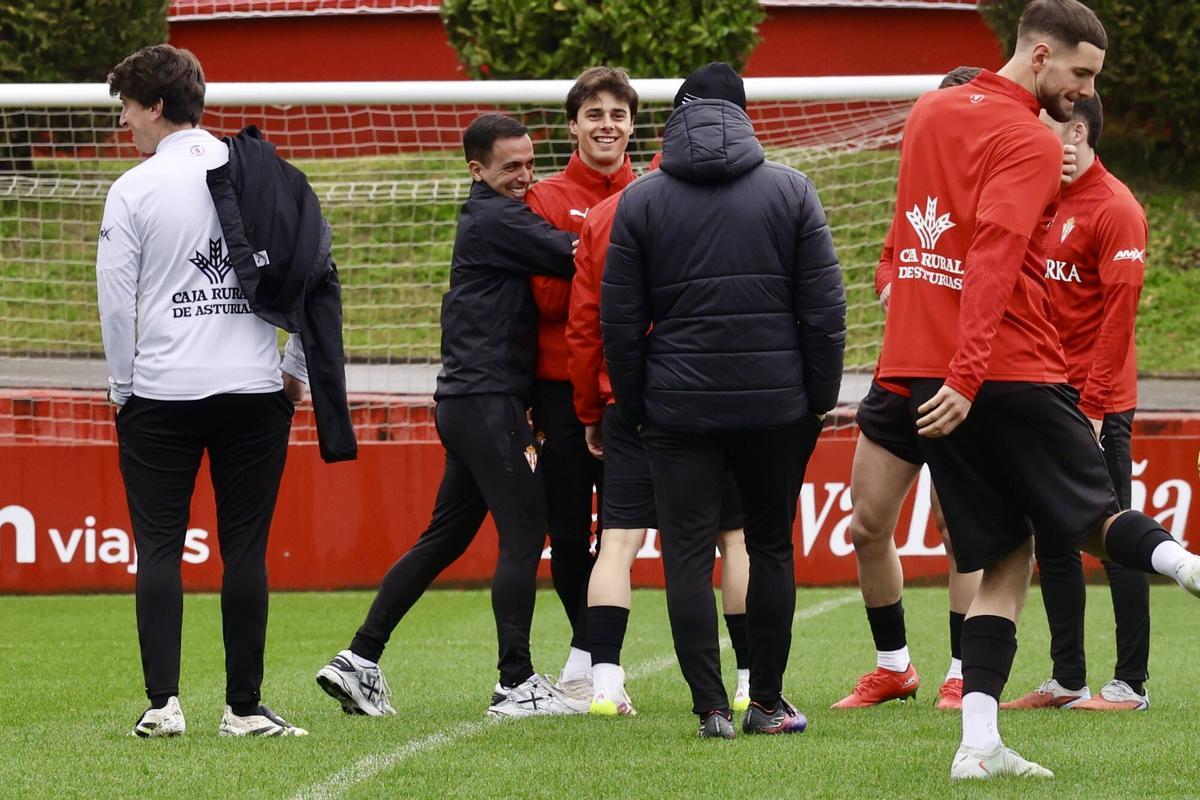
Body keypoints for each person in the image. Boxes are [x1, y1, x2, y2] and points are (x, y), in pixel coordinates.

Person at [874, 0, 1199, 779]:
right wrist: (969, 372)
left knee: (1005, 559)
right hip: (1006, 365)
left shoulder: (931, 111)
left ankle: (978, 743)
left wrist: (940, 368)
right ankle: (1191, 570)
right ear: (1042, 53)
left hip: (926, 371)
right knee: (1095, 519)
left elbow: (912, 238)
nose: (1086, 92)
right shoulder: (1027, 137)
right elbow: (992, 254)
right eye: (1082, 74)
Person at [602, 62, 846, 739]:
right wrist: (817, 401)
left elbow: (619, 322)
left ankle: (710, 708)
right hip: (776, 410)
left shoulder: (641, 201)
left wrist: (636, 407)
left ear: (677, 114)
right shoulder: (791, 190)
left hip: (677, 408)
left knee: (685, 553)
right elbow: (824, 311)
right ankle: (765, 702)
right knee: (770, 548)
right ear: (743, 115)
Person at [316, 113, 580, 718]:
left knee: (444, 539)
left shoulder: (490, 216)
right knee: (525, 531)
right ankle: (515, 683)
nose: (524, 176)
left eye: (529, 163)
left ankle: (359, 657)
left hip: (464, 403)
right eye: (510, 167)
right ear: (476, 170)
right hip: (488, 402)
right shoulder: (496, 218)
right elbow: (577, 254)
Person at [98, 44, 307, 737]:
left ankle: (163, 706)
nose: (124, 121)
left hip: (159, 394)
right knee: (245, 550)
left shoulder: (133, 189)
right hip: (253, 391)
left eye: (129, 107)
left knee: (158, 549)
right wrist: (297, 371)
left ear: (157, 106)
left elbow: (114, 302)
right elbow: (313, 271)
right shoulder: (262, 171)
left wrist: (122, 386)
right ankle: (243, 709)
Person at [566, 156, 752, 717]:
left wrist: (590, 406)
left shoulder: (606, 213)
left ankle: (603, 682)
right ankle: (749, 680)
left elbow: (585, 323)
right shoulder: (733, 205)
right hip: (712, 396)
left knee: (617, 542)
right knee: (733, 540)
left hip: (629, 401)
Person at [833, 66, 984, 713]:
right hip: (897, 377)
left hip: (960, 381)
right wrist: (894, 284)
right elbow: (891, 258)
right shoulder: (917, 185)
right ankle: (894, 667)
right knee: (866, 525)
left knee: (961, 531)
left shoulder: (996, 186)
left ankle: (964, 672)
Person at [1003, 93, 1153, 712]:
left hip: (1100, 405)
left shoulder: (1117, 208)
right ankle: (1068, 678)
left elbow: (1118, 321)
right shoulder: (1041, 199)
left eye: (1048, 129)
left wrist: (1092, 408)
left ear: (1078, 134)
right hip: (1046, 394)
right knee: (1053, 541)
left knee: (1115, 537)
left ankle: (1130, 684)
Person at [524, 67, 638, 706]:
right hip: (558, 392)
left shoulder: (650, 195)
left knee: (619, 534)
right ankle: (590, 656)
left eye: (617, 114)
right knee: (568, 533)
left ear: (632, 125)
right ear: (573, 126)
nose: (606, 125)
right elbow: (545, 298)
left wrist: (587, 262)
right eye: (594, 114)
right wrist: (598, 257)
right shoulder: (545, 197)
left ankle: (592, 664)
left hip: (626, 392)